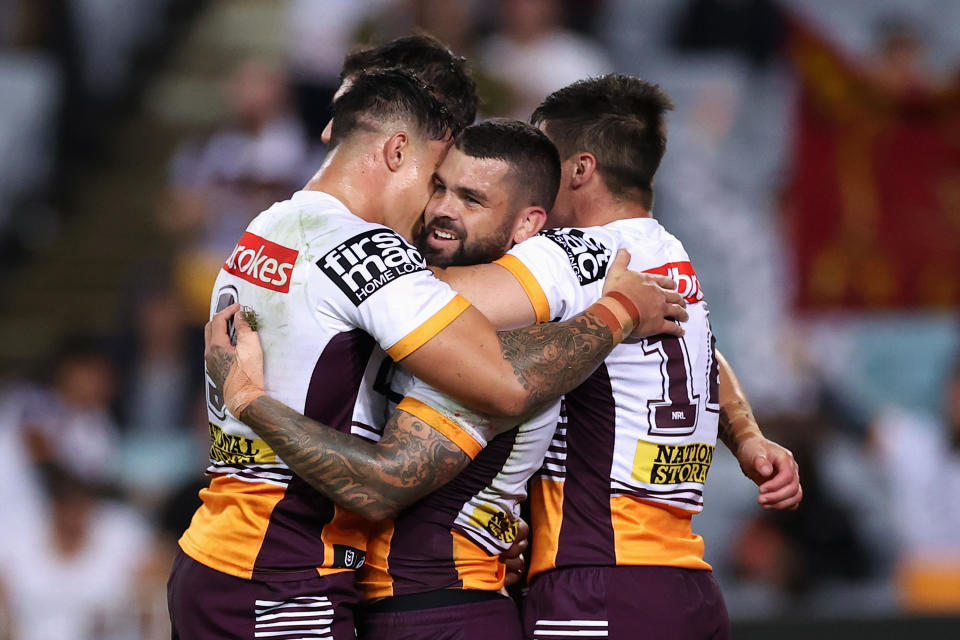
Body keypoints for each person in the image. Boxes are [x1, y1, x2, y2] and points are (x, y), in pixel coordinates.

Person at [205, 80, 801, 637]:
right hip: (674, 578)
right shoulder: (668, 255)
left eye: (470, 196)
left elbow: (412, 298)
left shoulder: (570, 259)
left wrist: (318, 255)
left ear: (577, 173)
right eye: (439, 187)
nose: (440, 207)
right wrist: (747, 435)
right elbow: (704, 352)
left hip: (584, 582)